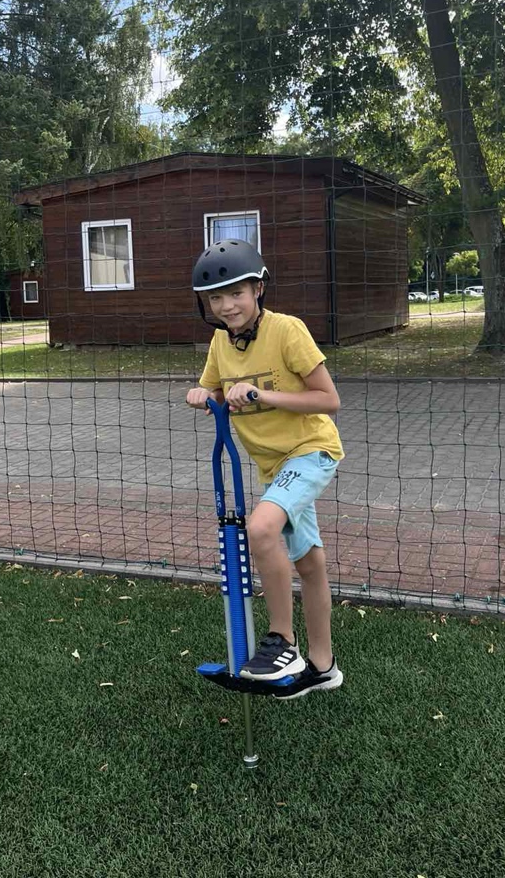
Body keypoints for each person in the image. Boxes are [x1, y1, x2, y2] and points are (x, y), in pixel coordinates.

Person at [186, 239, 345, 699]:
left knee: (260, 528)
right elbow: (217, 392)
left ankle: (283, 642)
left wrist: (263, 395)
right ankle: (323, 667)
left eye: (236, 293)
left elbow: (329, 399)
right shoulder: (220, 341)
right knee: (309, 564)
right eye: (215, 298)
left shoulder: (287, 330)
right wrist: (205, 396)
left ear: (258, 289)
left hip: (311, 450)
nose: (226, 306)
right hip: (274, 466)